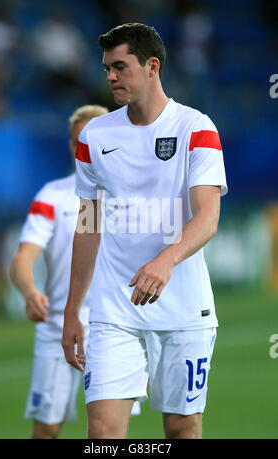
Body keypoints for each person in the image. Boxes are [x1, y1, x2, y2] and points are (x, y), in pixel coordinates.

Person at [62, 23, 227, 439]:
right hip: (114, 311)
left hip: (184, 310)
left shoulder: (196, 128)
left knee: (182, 429)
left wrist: (164, 261)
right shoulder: (94, 136)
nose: (110, 76)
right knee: (102, 433)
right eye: (106, 68)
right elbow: (88, 225)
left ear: (152, 66)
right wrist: (72, 310)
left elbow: (207, 217)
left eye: (120, 66)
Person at [10, 104, 140, 439]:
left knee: (108, 429)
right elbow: (22, 258)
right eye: (76, 140)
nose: (83, 145)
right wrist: (29, 292)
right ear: (70, 145)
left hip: (116, 325)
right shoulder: (52, 196)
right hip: (58, 327)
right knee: (47, 429)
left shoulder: (131, 195)